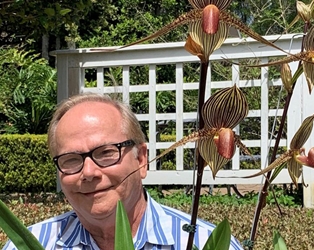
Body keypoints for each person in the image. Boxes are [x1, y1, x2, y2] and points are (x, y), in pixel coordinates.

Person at [3, 93, 244, 250]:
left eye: (106, 153)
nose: (89, 172)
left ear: (141, 159)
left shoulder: (203, 243)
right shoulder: (31, 244)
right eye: (71, 159)